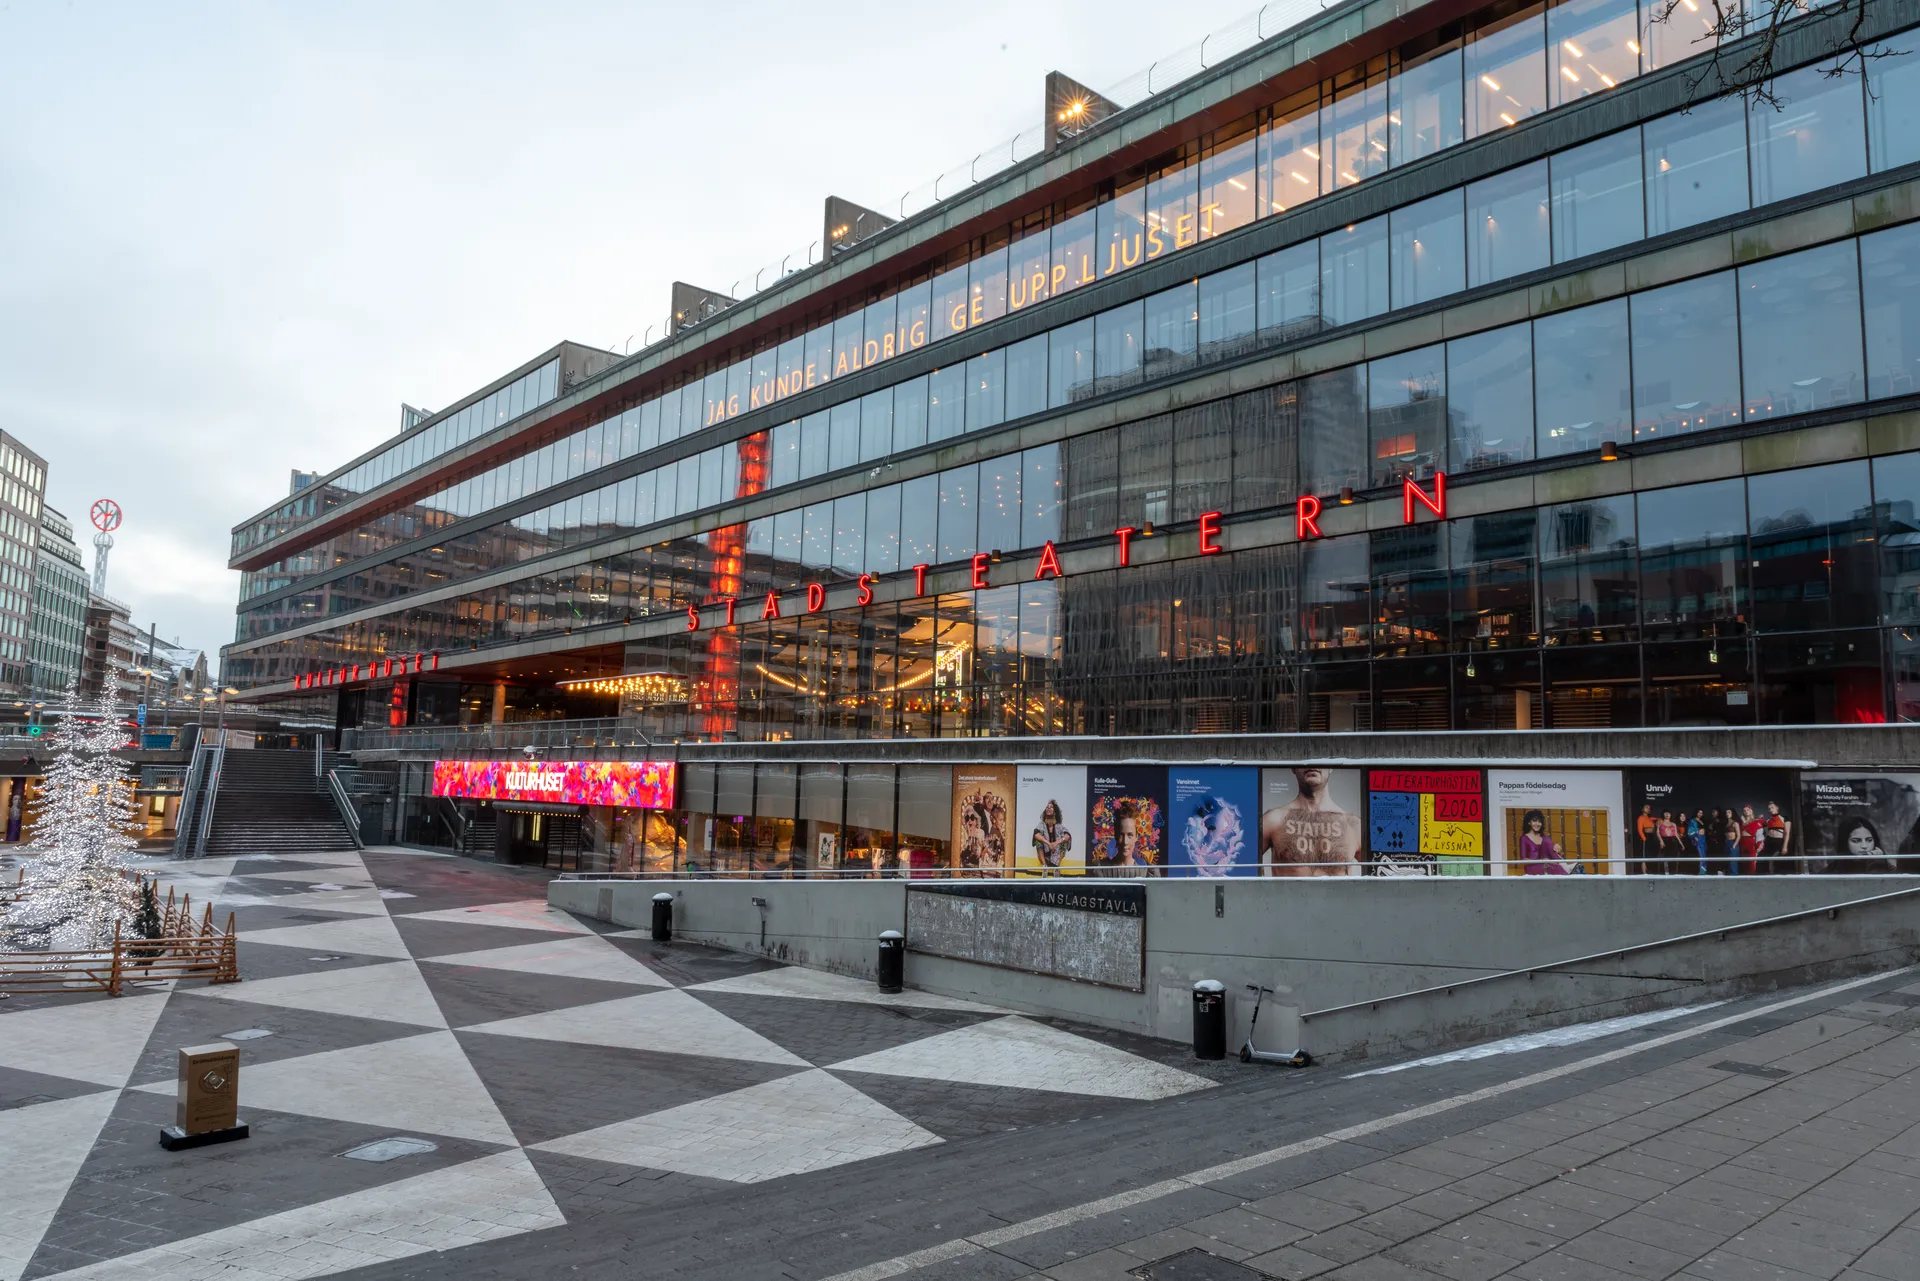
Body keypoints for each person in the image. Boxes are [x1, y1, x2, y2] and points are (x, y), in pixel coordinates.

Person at [1260, 767, 1362, 876]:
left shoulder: (1354, 826)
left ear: (1331, 766)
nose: (1312, 763)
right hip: (1288, 893)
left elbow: (1379, 875)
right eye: (1305, 756)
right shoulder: (1274, 820)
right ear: (1293, 768)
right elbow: (1242, 863)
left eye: (1319, 755)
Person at [1517, 810, 1574, 874]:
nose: (1537, 824)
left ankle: (1566, 868)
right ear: (1529, 822)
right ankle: (1567, 869)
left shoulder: (1543, 837)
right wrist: (1542, 861)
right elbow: (1524, 860)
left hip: (1546, 863)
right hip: (1533, 867)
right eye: (1534, 821)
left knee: (1547, 842)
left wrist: (1556, 847)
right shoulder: (1524, 838)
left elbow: (1553, 852)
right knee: (1553, 867)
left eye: (1539, 821)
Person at [1030, 799, 1073, 874]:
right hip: (1045, 856)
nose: (1048, 808)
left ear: (1055, 812)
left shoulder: (1059, 826)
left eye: (1051, 807)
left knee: (1064, 841)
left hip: (1056, 857)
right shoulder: (1042, 824)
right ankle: (1044, 867)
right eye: (1047, 807)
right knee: (1038, 841)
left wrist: (1056, 843)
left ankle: (1057, 868)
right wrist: (1048, 843)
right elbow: (1036, 834)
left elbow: (1067, 835)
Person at [1759, 800, 1792, 875]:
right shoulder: (1768, 820)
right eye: (1769, 809)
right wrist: (1760, 818)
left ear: (1777, 807)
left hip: (1779, 841)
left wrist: (1785, 846)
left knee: (1776, 860)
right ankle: (1770, 875)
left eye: (1772, 808)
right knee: (1766, 860)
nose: (1770, 810)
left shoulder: (1784, 818)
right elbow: (1761, 828)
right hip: (1769, 841)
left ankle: (1778, 877)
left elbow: (1787, 833)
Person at [1740, 805, 1764, 875]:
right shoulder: (1741, 822)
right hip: (1743, 843)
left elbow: (1760, 834)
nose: (1746, 811)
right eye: (1744, 810)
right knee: (1744, 862)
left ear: (1751, 811)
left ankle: (1752, 877)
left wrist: (1759, 844)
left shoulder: (1756, 821)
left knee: (1752, 862)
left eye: (1748, 809)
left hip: (1751, 843)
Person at [1635, 803, 1657, 874]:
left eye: (1649, 808)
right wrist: (1644, 838)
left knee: (1649, 854)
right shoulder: (1641, 818)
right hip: (1645, 836)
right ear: (1642, 809)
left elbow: (1657, 819)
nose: (1648, 809)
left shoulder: (1649, 818)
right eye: (1646, 807)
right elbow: (1639, 830)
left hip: (1651, 836)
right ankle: (1644, 872)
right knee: (1644, 855)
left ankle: (1649, 869)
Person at [1688, 809, 1707, 875]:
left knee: (1704, 855)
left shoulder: (1702, 821)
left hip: (1703, 838)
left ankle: (1704, 871)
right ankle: (1701, 872)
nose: (1700, 814)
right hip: (1698, 838)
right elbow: (1690, 831)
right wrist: (1695, 837)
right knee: (1700, 855)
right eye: (1699, 812)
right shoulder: (1692, 821)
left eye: (1701, 813)